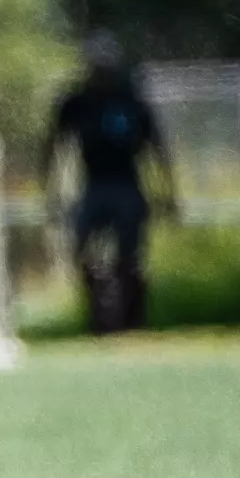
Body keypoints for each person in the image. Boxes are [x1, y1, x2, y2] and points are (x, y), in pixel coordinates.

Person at [38, 31, 178, 333]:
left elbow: (158, 149)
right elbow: (54, 146)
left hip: (128, 186)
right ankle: (99, 314)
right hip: (93, 187)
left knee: (129, 256)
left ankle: (131, 318)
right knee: (81, 249)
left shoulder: (131, 100)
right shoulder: (76, 102)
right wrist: (49, 191)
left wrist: (170, 193)